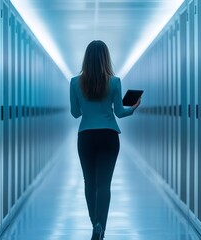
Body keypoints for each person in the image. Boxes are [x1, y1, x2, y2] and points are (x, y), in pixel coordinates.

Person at [70, 40, 141, 240]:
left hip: (86, 136)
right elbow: (119, 112)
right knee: (104, 184)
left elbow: (75, 113)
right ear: (105, 58)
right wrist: (133, 107)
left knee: (89, 182)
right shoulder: (115, 81)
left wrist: (85, 106)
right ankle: (101, 224)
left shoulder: (75, 82)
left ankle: (95, 223)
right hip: (109, 136)